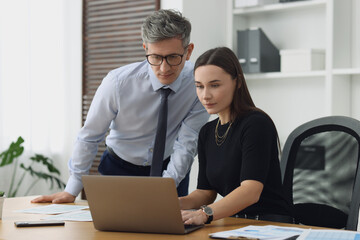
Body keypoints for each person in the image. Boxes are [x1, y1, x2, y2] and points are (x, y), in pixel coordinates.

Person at [32, 9, 209, 203]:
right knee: (111, 231)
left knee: (169, 232)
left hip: (172, 169)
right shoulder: (118, 82)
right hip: (119, 169)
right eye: (156, 57)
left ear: (189, 51)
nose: (164, 68)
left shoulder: (198, 82)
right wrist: (72, 188)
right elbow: (90, 135)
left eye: (173, 57)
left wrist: (165, 186)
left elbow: (187, 142)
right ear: (145, 48)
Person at [179, 47, 293, 225]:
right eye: (199, 86)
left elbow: (250, 191)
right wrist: (174, 204)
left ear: (237, 82)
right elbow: (205, 192)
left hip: (268, 224)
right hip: (233, 224)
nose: (205, 95)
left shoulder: (256, 124)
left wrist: (205, 214)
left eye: (215, 85)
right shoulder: (207, 132)